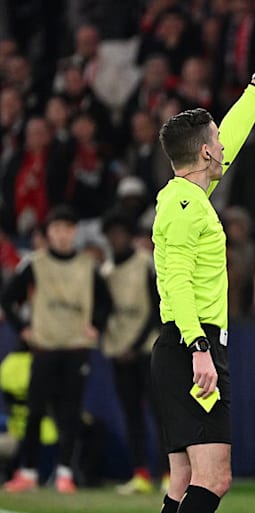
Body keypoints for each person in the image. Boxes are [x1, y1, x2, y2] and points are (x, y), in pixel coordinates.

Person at [150, 32, 255, 513]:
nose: (223, 144)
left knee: (185, 479)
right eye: (216, 142)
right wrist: (199, 348)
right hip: (193, 345)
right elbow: (177, 283)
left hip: (179, 345)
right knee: (215, 478)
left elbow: (235, 129)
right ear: (206, 153)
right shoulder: (189, 207)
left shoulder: (184, 196)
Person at [1, 205, 113, 493]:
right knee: (35, 410)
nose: (63, 235)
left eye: (68, 229)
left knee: (70, 412)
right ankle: (28, 471)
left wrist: (96, 325)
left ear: (75, 232)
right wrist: (22, 329)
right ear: (48, 233)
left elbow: (106, 302)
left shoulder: (87, 266)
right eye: (57, 229)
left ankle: (64, 473)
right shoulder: (35, 264)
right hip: (44, 347)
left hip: (76, 347)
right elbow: (7, 298)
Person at [99, 211, 162, 495]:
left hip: (147, 350)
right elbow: (103, 313)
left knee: (161, 414)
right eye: (112, 234)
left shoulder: (145, 264)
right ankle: (141, 474)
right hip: (119, 351)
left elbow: (155, 309)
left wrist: (135, 347)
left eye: (122, 233)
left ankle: (169, 473)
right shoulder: (105, 271)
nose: (117, 238)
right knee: (131, 415)